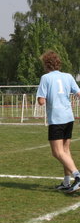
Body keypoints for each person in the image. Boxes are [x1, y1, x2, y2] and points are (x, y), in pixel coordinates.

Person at [36, 50, 80, 194]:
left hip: (56, 118)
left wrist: (45, 97)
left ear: (46, 64)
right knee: (65, 151)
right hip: (69, 117)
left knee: (57, 152)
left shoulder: (46, 78)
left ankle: (78, 176)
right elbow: (78, 93)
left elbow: (41, 101)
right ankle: (67, 182)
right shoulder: (68, 76)